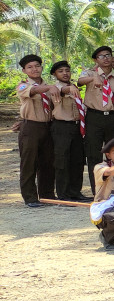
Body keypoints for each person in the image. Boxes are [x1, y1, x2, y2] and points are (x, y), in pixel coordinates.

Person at [77, 46, 114, 183]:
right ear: (95, 60)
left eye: (108, 55)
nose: (105, 58)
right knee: (94, 154)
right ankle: (97, 188)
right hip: (94, 117)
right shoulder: (89, 73)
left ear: (112, 58)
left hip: (112, 117)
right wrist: (94, 78)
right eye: (101, 56)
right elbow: (80, 82)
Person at [16, 54, 57, 207]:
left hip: (48, 126)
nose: (34, 69)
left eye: (37, 66)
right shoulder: (23, 85)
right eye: (30, 67)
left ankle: (47, 195)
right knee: (29, 163)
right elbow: (33, 91)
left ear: (41, 67)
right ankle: (30, 197)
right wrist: (49, 88)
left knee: (48, 162)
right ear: (24, 71)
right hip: (31, 127)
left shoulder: (49, 86)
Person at [46, 60, 88, 201]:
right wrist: (68, 89)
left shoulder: (73, 86)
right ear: (54, 74)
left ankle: (75, 192)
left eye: (67, 70)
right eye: (61, 71)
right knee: (62, 160)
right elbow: (62, 91)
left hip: (76, 126)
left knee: (77, 160)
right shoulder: (56, 87)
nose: (65, 73)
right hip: (61, 127)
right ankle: (63, 194)